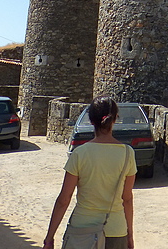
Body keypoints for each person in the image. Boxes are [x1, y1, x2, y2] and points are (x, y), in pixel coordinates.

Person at [44, 96, 137, 249]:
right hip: (115, 230)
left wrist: (49, 237)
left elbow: (64, 199)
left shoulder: (80, 153)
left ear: (91, 121)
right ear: (115, 119)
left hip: (82, 231)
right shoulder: (127, 153)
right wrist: (130, 235)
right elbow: (127, 199)